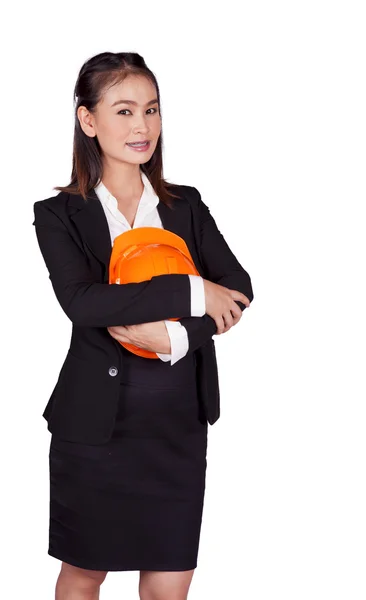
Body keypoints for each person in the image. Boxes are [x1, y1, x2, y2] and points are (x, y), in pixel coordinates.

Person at [33, 51, 254, 600]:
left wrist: (179, 334)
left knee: (169, 580)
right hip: (95, 425)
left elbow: (239, 289)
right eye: (125, 111)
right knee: (85, 573)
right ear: (88, 120)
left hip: (177, 422)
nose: (142, 127)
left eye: (152, 111)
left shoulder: (186, 206)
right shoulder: (58, 214)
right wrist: (192, 290)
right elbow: (85, 304)